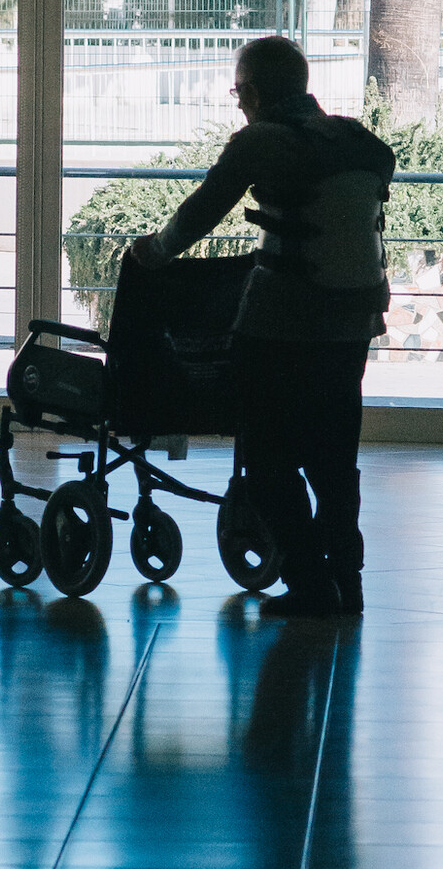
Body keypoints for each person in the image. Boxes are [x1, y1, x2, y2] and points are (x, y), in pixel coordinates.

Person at [130, 36, 395, 617]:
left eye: (238, 91)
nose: (238, 103)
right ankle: (347, 581)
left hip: (281, 324)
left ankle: (307, 584)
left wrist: (152, 253)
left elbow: (199, 214)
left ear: (250, 91)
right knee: (333, 458)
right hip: (354, 323)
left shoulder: (260, 143)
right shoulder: (364, 143)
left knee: (269, 458)